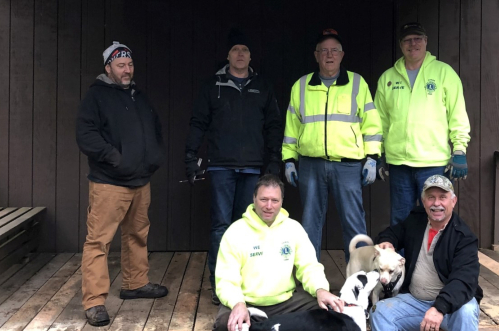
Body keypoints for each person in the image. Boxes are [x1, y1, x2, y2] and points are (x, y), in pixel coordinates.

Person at [213, 174, 345, 331]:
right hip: (247, 303)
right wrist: (237, 303)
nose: (268, 205)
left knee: (324, 314)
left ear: (282, 201)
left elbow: (308, 266)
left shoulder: (293, 229)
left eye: (274, 200)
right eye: (263, 199)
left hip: (284, 303)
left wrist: (320, 289)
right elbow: (225, 278)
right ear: (253, 199)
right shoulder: (236, 232)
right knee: (224, 324)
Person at [185, 28, 282, 305]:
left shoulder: (262, 85)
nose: (240, 54)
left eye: (245, 50)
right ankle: (220, 284)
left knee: (248, 226)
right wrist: (190, 156)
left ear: (251, 56)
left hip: (253, 167)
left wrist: (274, 159)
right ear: (228, 55)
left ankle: (245, 281)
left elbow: (273, 125)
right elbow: (198, 123)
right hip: (221, 167)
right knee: (220, 227)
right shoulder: (212, 85)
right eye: (236, 49)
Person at [76, 41, 169, 328]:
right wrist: (115, 158)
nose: (126, 69)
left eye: (129, 64)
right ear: (108, 68)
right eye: (120, 65)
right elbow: (86, 135)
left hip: (141, 181)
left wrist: (153, 156)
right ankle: (94, 302)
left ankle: (135, 283)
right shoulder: (96, 97)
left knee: (137, 234)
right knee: (99, 241)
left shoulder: (137, 96)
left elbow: (154, 129)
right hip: (109, 183)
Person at [370, 174, 481, 331]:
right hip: (416, 301)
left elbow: (464, 281)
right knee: (380, 310)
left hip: (450, 306)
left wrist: (439, 308)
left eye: (443, 197)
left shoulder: (464, 237)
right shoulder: (416, 219)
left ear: (453, 201)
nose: (436, 203)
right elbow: (392, 232)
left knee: (469, 310)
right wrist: (387, 242)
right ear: (423, 201)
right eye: (431, 197)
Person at [282, 29, 382, 259]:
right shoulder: (301, 86)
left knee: (354, 223)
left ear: (342, 54)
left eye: (334, 50)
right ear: (316, 55)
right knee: (309, 223)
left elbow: (372, 125)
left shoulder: (357, 83)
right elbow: (291, 128)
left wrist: (372, 158)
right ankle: (310, 278)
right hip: (310, 164)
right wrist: (288, 160)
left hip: (349, 165)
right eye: (324, 50)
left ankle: (359, 278)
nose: (329, 55)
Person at [375, 22, 471, 225]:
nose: (413, 44)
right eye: (407, 40)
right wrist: (378, 153)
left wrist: (460, 150)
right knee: (401, 220)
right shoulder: (388, 78)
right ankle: (403, 258)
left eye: (418, 39)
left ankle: (436, 258)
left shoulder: (444, 73)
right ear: (401, 45)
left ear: (426, 42)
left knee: (437, 217)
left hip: (433, 162)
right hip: (399, 163)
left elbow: (457, 114)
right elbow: (379, 121)